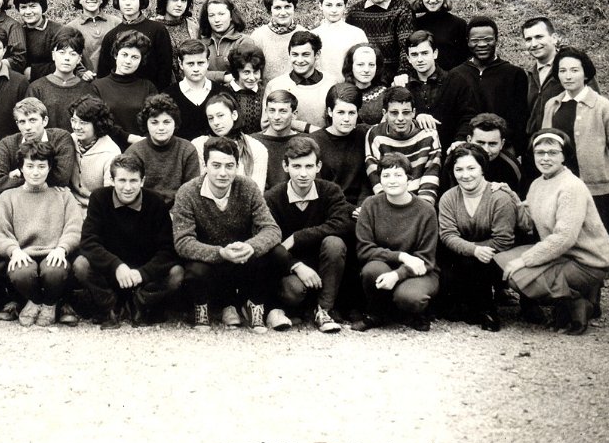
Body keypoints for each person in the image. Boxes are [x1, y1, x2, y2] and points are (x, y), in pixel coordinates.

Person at [495, 129, 609, 335]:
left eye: (552, 152)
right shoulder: (538, 183)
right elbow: (528, 224)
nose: (545, 158)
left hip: (586, 261)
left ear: (564, 155)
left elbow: (564, 237)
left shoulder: (571, 186)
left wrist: (524, 260)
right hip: (562, 255)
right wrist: (512, 199)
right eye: (540, 152)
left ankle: (577, 303)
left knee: (518, 273)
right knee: (502, 262)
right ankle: (567, 301)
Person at [172, 137, 282, 332]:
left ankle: (254, 305)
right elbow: (183, 241)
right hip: (208, 260)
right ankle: (202, 307)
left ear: (237, 166)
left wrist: (251, 246)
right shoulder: (187, 192)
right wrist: (220, 253)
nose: (223, 173)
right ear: (205, 165)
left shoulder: (248, 187)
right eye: (216, 165)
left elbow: (271, 229)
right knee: (196, 270)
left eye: (229, 166)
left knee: (271, 254)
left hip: (242, 257)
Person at [74, 155, 184, 328]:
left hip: (143, 274)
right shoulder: (99, 198)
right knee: (81, 264)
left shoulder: (155, 202)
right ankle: (110, 307)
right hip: (111, 272)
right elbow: (88, 242)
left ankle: (139, 304)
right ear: (112, 180)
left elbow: (168, 250)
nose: (127, 187)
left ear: (142, 181)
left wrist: (143, 273)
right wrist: (116, 266)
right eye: (122, 180)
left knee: (176, 273)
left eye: (133, 180)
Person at [542, 47, 609, 262]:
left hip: (593, 179)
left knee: (598, 225)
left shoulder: (601, 105)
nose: (568, 76)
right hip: (562, 177)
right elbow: (545, 139)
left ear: (585, 73)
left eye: (574, 70)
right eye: (562, 71)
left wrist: (594, 150)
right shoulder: (553, 104)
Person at [265, 136, 354, 333]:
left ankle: (323, 310)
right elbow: (268, 242)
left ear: (318, 166)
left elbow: (343, 223)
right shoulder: (273, 197)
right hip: (290, 268)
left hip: (324, 267)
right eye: (296, 166)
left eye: (309, 166)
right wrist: (295, 266)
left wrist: (298, 237)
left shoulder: (330, 191)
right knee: (293, 291)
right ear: (285, 166)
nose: (303, 174)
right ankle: (291, 310)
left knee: (334, 242)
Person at [0, 140, 82, 327]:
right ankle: (34, 301)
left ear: (49, 168)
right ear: (21, 169)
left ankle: (50, 303)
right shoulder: (8, 197)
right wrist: (13, 250)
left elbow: (74, 227)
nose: (35, 172)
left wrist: (62, 248)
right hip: (23, 255)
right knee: (21, 272)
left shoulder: (63, 195)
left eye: (41, 166)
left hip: (54, 254)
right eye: (30, 166)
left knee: (54, 271)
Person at [353, 152, 439, 332]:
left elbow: (426, 258)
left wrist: (398, 274)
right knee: (372, 270)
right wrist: (401, 256)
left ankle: (412, 314)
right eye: (386, 175)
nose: (392, 180)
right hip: (384, 266)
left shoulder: (426, 210)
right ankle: (376, 313)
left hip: (419, 270)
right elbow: (364, 250)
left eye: (398, 175)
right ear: (380, 180)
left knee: (411, 298)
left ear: (409, 179)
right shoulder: (370, 205)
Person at [437, 143, 517, 331]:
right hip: (462, 253)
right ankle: (462, 304)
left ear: (482, 169)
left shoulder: (499, 197)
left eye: (471, 168)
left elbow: (504, 240)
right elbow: (447, 234)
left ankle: (487, 310)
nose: (465, 175)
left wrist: (478, 251)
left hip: (494, 256)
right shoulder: (448, 198)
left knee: (476, 265)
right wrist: (473, 249)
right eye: (459, 169)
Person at [451, 16, 529, 155]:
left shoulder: (514, 74)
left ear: (496, 40)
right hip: (466, 153)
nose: (481, 45)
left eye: (488, 39)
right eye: (475, 40)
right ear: (467, 42)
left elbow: (521, 120)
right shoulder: (456, 75)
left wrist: (515, 151)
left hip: (503, 150)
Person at [403, 30, 479, 152]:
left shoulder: (456, 81)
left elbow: (469, 115)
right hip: (416, 154)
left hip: (450, 150)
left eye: (425, 53)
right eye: (414, 55)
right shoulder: (404, 86)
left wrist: (460, 140)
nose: (420, 59)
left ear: (435, 53)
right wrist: (416, 117)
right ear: (408, 58)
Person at [365, 86, 443, 205]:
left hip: (420, 205)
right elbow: (376, 179)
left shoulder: (429, 134)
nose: (400, 118)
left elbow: (430, 178)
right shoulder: (375, 135)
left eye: (406, 113)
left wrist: (420, 210)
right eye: (394, 113)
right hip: (387, 204)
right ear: (385, 113)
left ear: (414, 113)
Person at [0, 97, 76, 197]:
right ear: (17, 124)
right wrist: (36, 177)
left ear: (45, 121)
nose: (27, 127)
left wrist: (19, 174)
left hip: (52, 197)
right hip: (19, 199)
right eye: (22, 122)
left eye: (32, 120)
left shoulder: (60, 138)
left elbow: (61, 178)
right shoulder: (8, 143)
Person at [124, 94, 202, 209]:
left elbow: (191, 192)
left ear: (175, 123)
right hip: (144, 212)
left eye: (166, 122)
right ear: (146, 124)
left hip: (179, 211)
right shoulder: (134, 152)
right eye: (154, 122)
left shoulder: (187, 150)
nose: (161, 128)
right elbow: (129, 192)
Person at [96, 0, 174, 90]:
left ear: (141, 0)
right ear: (117, 0)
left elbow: (165, 69)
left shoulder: (158, 30)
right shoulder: (111, 35)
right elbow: (104, 72)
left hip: (150, 93)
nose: (128, 3)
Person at [344, 0, 415, 81]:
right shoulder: (355, 12)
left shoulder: (401, 9)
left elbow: (406, 45)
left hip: (394, 75)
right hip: (363, 74)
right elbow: (349, 49)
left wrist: (403, 72)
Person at [192, 92, 269, 192]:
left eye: (220, 115)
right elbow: (198, 187)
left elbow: (256, 192)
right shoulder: (199, 145)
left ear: (234, 115)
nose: (216, 122)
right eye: (211, 118)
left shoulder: (256, 148)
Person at [311, 83, 371, 208]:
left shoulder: (365, 134)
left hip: (362, 208)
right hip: (329, 209)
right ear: (330, 112)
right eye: (341, 112)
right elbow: (318, 187)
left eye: (351, 113)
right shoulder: (315, 141)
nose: (346, 119)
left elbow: (367, 180)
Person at [90, 30, 158, 137]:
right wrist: (128, 138)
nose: (128, 61)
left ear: (141, 60)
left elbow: (155, 120)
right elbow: (98, 122)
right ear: (116, 55)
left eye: (134, 57)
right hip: (108, 148)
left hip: (142, 147)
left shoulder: (148, 87)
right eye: (124, 55)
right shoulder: (97, 87)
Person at [263, 30, 334, 132]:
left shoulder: (331, 83)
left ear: (317, 55)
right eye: (295, 54)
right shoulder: (276, 85)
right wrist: (305, 127)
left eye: (305, 54)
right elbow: (265, 124)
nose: (299, 60)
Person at [26, 26, 93, 132]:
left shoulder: (88, 90)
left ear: (79, 58)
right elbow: (29, 125)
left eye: (73, 54)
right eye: (62, 52)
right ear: (53, 55)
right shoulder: (36, 88)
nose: (67, 58)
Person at [162, 39, 224, 141]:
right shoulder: (168, 95)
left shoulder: (222, 92)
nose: (196, 69)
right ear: (181, 64)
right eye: (190, 64)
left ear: (208, 62)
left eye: (200, 63)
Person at [68, 96, 121, 208]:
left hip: (98, 208)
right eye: (74, 121)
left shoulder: (111, 152)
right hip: (70, 203)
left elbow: (109, 196)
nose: (76, 127)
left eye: (83, 123)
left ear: (98, 123)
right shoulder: (68, 140)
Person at [409, 0, 469, 71]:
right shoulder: (415, 23)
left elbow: (465, 58)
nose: (432, 0)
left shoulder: (459, 24)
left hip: (452, 80)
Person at [311, 0, 366, 84]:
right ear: (320, 5)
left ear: (345, 5)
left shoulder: (357, 34)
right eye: (329, 5)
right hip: (321, 88)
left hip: (349, 89)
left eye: (339, 5)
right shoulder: (313, 35)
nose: (334, 10)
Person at [250, 0, 305, 83]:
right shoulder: (259, 36)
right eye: (278, 8)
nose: (283, 13)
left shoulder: (304, 34)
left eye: (287, 7)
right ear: (270, 10)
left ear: (294, 8)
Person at [69, 0, 118, 76]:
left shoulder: (116, 23)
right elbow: (69, 57)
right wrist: (82, 73)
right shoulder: (71, 28)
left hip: (114, 82)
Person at [197, 0, 252, 83]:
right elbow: (194, 73)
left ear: (231, 16)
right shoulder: (201, 43)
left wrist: (208, 75)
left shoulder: (243, 41)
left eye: (221, 14)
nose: (216, 20)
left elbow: (245, 75)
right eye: (211, 15)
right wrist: (224, 77)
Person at [463, 113, 522, 193]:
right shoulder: (456, 161)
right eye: (480, 143)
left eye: (492, 144)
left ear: (502, 144)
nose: (486, 150)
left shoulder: (511, 167)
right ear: (469, 140)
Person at [14, 0, 61, 81]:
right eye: (23, 7)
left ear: (43, 7)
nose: (28, 12)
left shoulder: (57, 31)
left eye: (33, 6)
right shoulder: (16, 30)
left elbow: (64, 61)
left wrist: (34, 72)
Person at [253, 90, 300, 190]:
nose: (276, 117)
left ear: (294, 114)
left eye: (283, 111)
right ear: (266, 112)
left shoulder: (304, 141)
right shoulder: (253, 142)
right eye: (272, 110)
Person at [154, 0, 199, 67]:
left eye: (183, 0)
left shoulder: (193, 27)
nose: (179, 4)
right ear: (164, 0)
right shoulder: (153, 27)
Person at [342, 42, 388, 125]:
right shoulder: (339, 93)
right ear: (351, 66)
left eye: (371, 64)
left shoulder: (385, 94)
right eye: (360, 64)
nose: (366, 70)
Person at [225, 43, 266, 134]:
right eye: (246, 72)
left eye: (255, 72)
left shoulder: (265, 93)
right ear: (236, 72)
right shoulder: (224, 92)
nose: (252, 78)